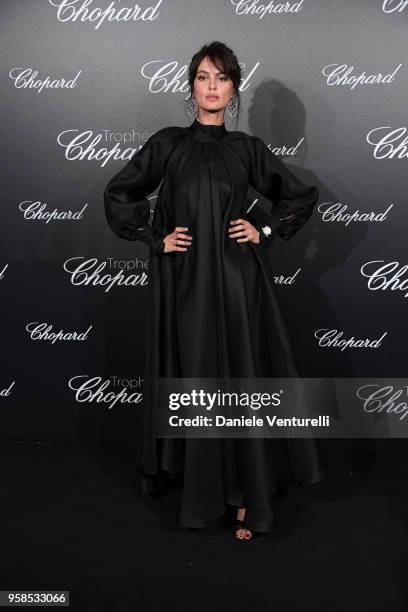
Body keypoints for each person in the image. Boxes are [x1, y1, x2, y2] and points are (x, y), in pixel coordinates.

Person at [104, 41, 326, 541]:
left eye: (221, 78)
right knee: (196, 371)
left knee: (242, 378)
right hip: (185, 284)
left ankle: (246, 495)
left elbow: (298, 196)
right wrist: (152, 237)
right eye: (203, 77)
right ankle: (200, 487)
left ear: (233, 89)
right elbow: (120, 193)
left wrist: (264, 230)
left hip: (237, 281)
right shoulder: (167, 144)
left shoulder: (247, 150)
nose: (211, 87)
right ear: (191, 86)